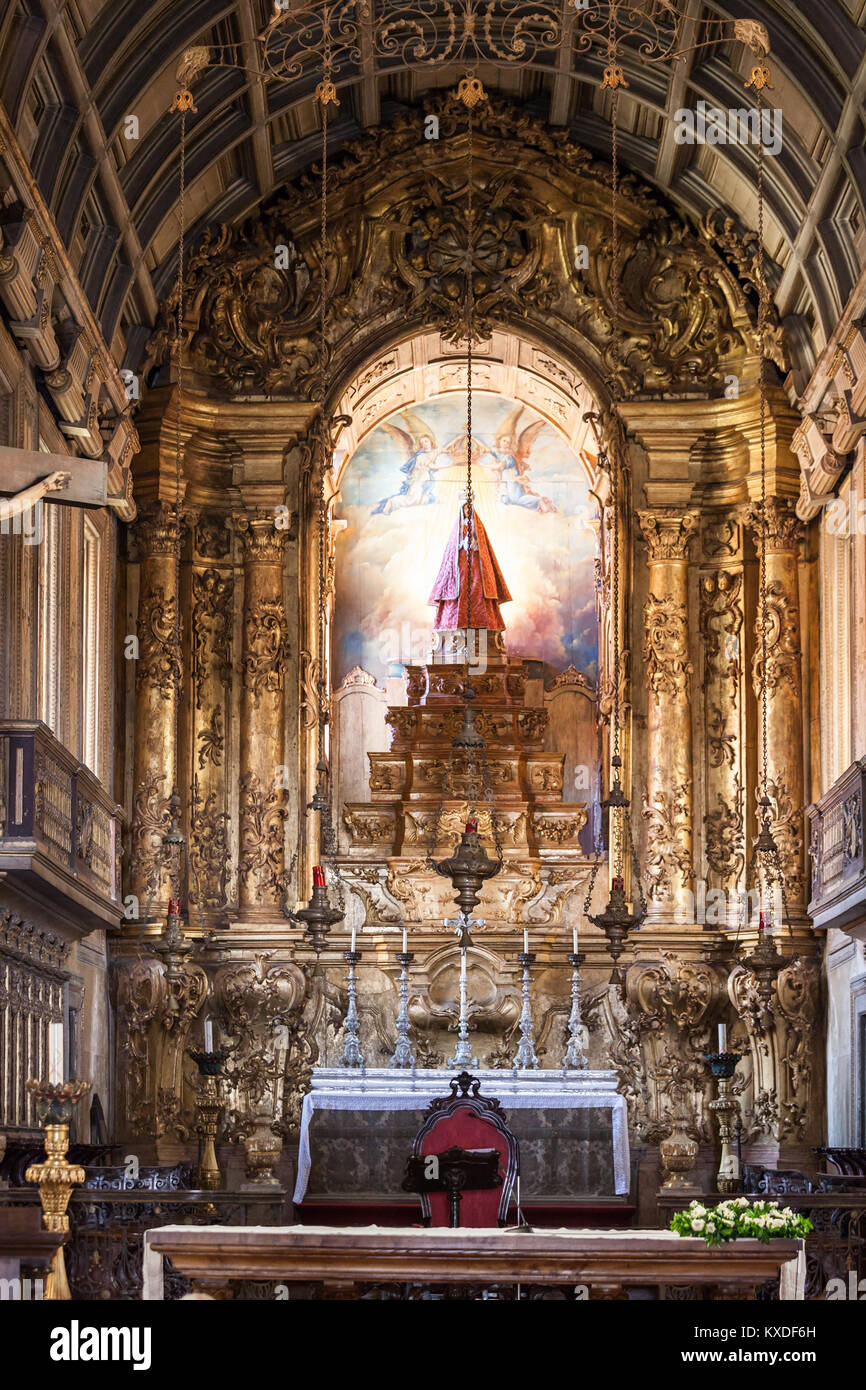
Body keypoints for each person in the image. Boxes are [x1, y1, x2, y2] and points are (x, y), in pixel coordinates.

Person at [429, 502, 511, 631]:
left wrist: (475, 544)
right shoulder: (458, 526)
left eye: (469, 509)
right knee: (460, 587)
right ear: (462, 510)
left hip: (476, 563)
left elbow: (483, 544)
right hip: (460, 564)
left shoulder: (477, 526)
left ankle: (481, 628)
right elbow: (453, 546)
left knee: (478, 588)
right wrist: (462, 544)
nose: (467, 511)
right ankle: (456, 626)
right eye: (465, 509)